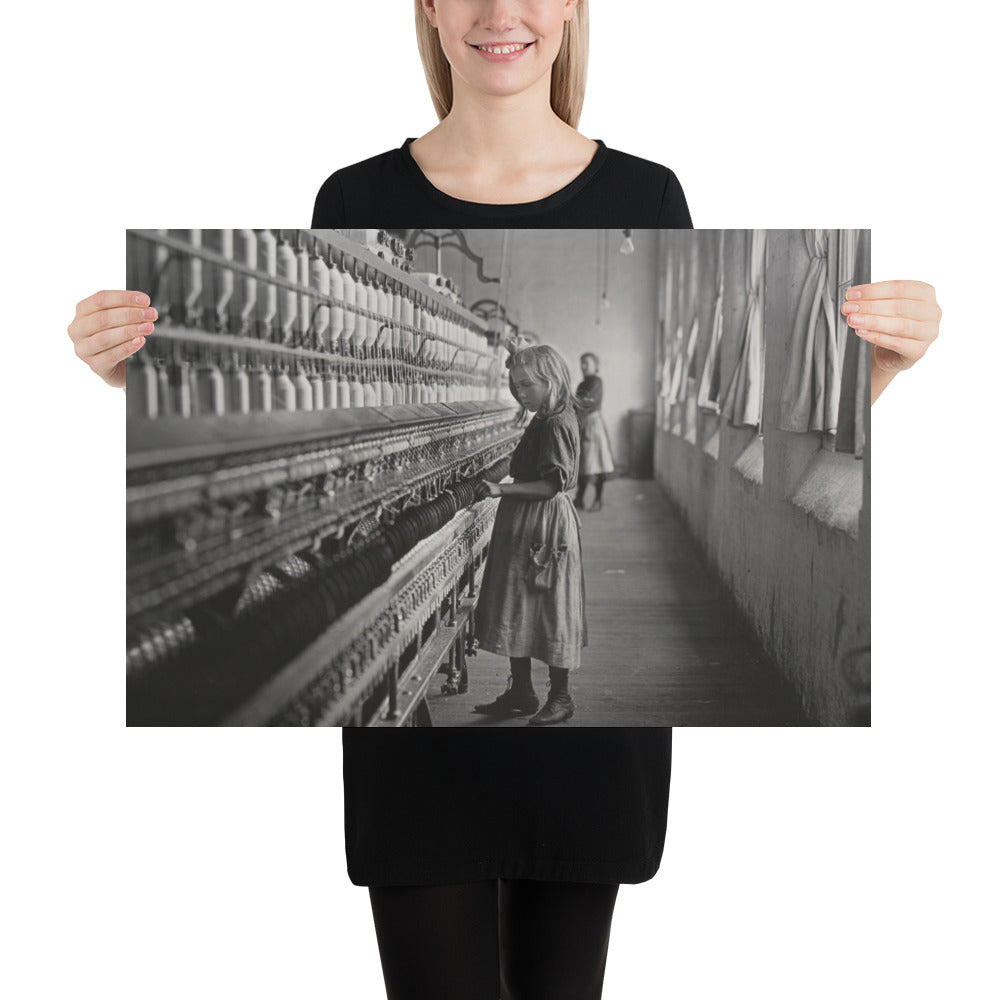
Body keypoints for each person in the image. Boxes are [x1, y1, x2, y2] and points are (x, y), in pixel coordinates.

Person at [66, 2, 942, 997]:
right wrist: (132, 390)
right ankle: (527, 690)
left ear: (572, 6)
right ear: (428, 11)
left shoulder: (649, 193)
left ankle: (539, 695)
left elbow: (563, 470)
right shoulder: (349, 194)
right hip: (413, 776)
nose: (500, 11)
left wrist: (883, 374)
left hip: (588, 771)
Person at [471, 344, 586, 725]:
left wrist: (500, 489)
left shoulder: (555, 422)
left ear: (550, 381)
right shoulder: (543, 416)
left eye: (526, 385)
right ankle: (521, 691)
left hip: (544, 522)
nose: (520, 393)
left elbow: (551, 485)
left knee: (551, 607)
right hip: (526, 521)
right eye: (515, 385)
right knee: (518, 603)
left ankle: (562, 697)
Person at [574, 352, 615, 512]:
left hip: (593, 425)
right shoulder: (581, 384)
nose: (583, 366)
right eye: (582, 363)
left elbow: (586, 402)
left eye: (587, 363)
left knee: (597, 463)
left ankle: (598, 499)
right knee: (584, 463)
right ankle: (579, 498)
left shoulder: (596, 382)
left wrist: (573, 403)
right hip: (584, 424)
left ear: (595, 366)